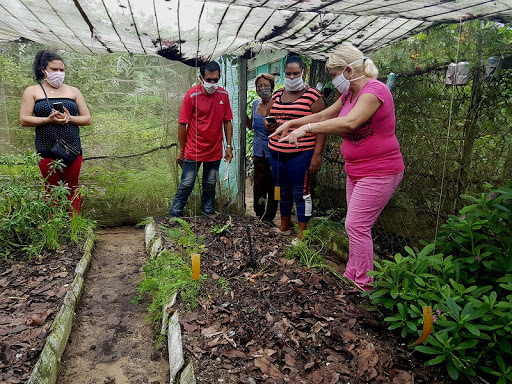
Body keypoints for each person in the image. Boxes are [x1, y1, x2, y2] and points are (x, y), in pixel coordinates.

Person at [270, 43, 405, 291]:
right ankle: (352, 273)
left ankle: (364, 283)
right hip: (357, 170)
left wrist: (306, 130)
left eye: (334, 75)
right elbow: (324, 116)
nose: (333, 81)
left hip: (381, 170)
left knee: (356, 225)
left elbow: (350, 123)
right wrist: (291, 124)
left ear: (349, 70)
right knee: (354, 226)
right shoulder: (349, 95)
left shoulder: (375, 91)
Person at [20, 50, 91, 214]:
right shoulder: (32, 91)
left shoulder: (74, 91)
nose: (59, 73)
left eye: (62, 70)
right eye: (54, 69)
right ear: (43, 70)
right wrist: (47, 120)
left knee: (72, 186)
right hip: (46, 149)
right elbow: (24, 119)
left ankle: (75, 227)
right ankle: (55, 228)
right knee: (51, 188)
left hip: (72, 148)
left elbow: (87, 118)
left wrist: (69, 118)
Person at [264, 54, 327, 239]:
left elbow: (322, 127)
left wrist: (317, 154)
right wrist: (269, 125)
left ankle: (302, 234)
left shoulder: (314, 96)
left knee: (301, 192)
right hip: (276, 153)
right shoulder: (277, 94)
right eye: (288, 74)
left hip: (301, 154)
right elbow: (269, 119)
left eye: (295, 74)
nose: (291, 77)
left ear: (303, 72)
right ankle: (284, 225)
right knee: (281, 190)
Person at [169, 61, 233, 218]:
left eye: (216, 80)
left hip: (214, 150)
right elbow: (182, 124)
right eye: (209, 80)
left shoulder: (223, 95)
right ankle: (175, 215)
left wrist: (229, 146)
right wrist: (181, 151)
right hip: (193, 150)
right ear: (201, 78)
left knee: (210, 184)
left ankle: (208, 212)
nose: (212, 83)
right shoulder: (192, 95)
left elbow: (227, 121)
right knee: (186, 184)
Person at [246, 73, 278, 225]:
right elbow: (251, 125)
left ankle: (270, 216)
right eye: (260, 86)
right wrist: (243, 116)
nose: (263, 88)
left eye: (266, 86)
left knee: (273, 185)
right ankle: (259, 214)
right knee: (259, 184)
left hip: (274, 151)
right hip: (258, 151)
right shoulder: (254, 104)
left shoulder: (278, 104)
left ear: (272, 86)